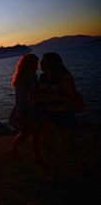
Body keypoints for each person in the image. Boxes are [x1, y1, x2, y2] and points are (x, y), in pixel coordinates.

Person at [37, 52, 85, 181]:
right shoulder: (42, 78)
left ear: (52, 63)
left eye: (44, 62)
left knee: (69, 143)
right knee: (49, 144)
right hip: (47, 113)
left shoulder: (64, 79)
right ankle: (56, 173)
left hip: (64, 114)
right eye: (41, 63)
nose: (41, 65)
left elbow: (73, 99)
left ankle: (82, 170)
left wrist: (51, 97)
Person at [8, 54, 46, 164]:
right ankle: (13, 150)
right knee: (25, 133)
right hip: (26, 110)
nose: (37, 66)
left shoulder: (33, 77)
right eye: (35, 64)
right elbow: (19, 98)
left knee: (36, 132)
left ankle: (37, 156)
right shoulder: (22, 80)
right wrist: (20, 114)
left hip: (34, 109)